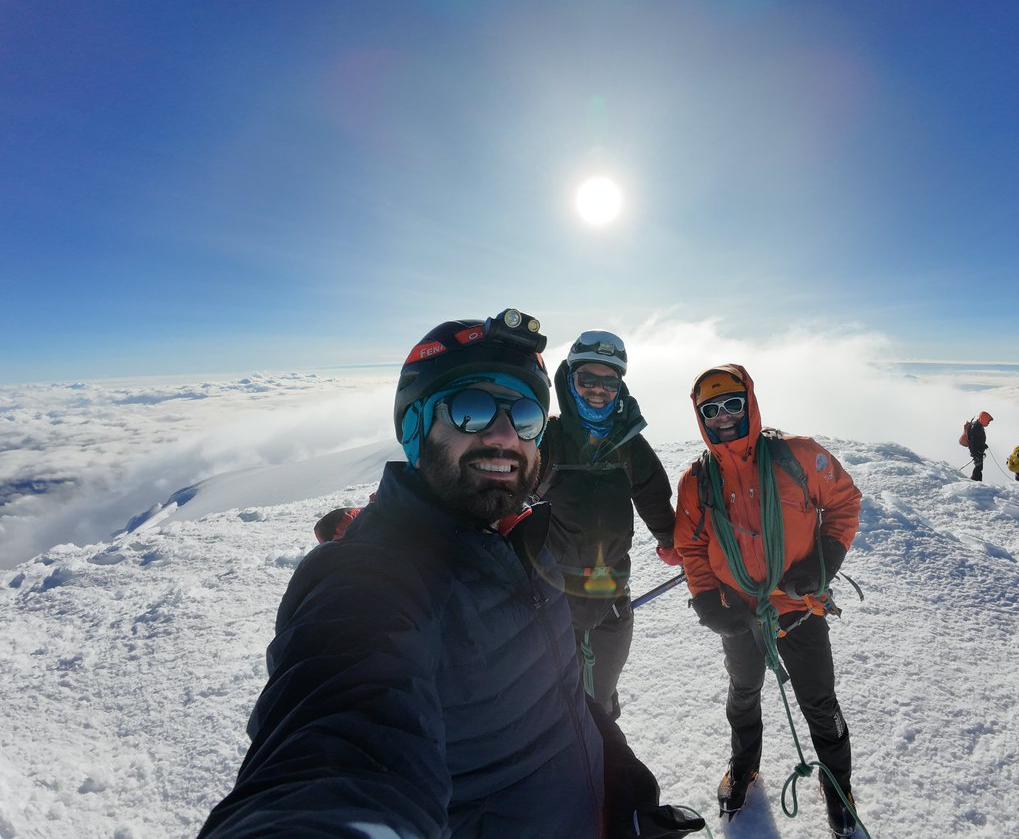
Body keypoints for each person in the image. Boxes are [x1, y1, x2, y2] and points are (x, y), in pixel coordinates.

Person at [200, 309, 703, 839]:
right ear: (415, 425)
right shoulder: (372, 582)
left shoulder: (521, 538)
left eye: (525, 417)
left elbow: (559, 696)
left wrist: (620, 787)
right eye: (471, 409)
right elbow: (337, 744)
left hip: (608, 605)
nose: (506, 435)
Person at [674, 364, 865, 838]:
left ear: (750, 403)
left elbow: (843, 502)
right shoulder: (696, 482)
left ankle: (837, 784)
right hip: (739, 612)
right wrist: (705, 599)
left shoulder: (796, 456)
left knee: (819, 702)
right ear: (700, 416)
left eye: (732, 404)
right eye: (711, 409)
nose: (723, 416)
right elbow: (692, 547)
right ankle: (744, 768)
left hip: (800, 607)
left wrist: (822, 562)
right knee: (743, 692)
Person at [534, 329, 678, 719]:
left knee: (599, 704)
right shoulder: (545, 439)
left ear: (620, 386)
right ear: (571, 379)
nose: (599, 390)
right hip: (549, 602)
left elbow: (654, 500)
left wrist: (675, 545)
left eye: (609, 381)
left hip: (611, 602)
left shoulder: (628, 445)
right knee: (549, 708)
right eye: (588, 380)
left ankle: (602, 769)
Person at [967, 411, 993, 481]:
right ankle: (975, 482)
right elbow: (973, 443)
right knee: (978, 468)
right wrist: (975, 454)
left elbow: (977, 441)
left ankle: (976, 483)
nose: (988, 423)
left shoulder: (978, 426)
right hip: (977, 453)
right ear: (984, 419)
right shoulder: (976, 428)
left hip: (978, 452)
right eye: (988, 421)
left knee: (979, 467)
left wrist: (983, 445)